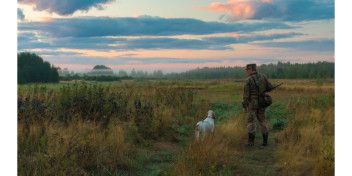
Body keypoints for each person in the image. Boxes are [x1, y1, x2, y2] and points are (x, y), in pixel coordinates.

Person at [242, 64, 273, 149]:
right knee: (262, 121)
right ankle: (265, 142)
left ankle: (251, 142)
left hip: (252, 103)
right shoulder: (263, 76)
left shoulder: (249, 79)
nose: (246, 71)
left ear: (251, 69)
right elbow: (270, 87)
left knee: (251, 122)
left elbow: (246, 95)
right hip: (262, 102)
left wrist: (244, 105)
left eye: (247, 70)